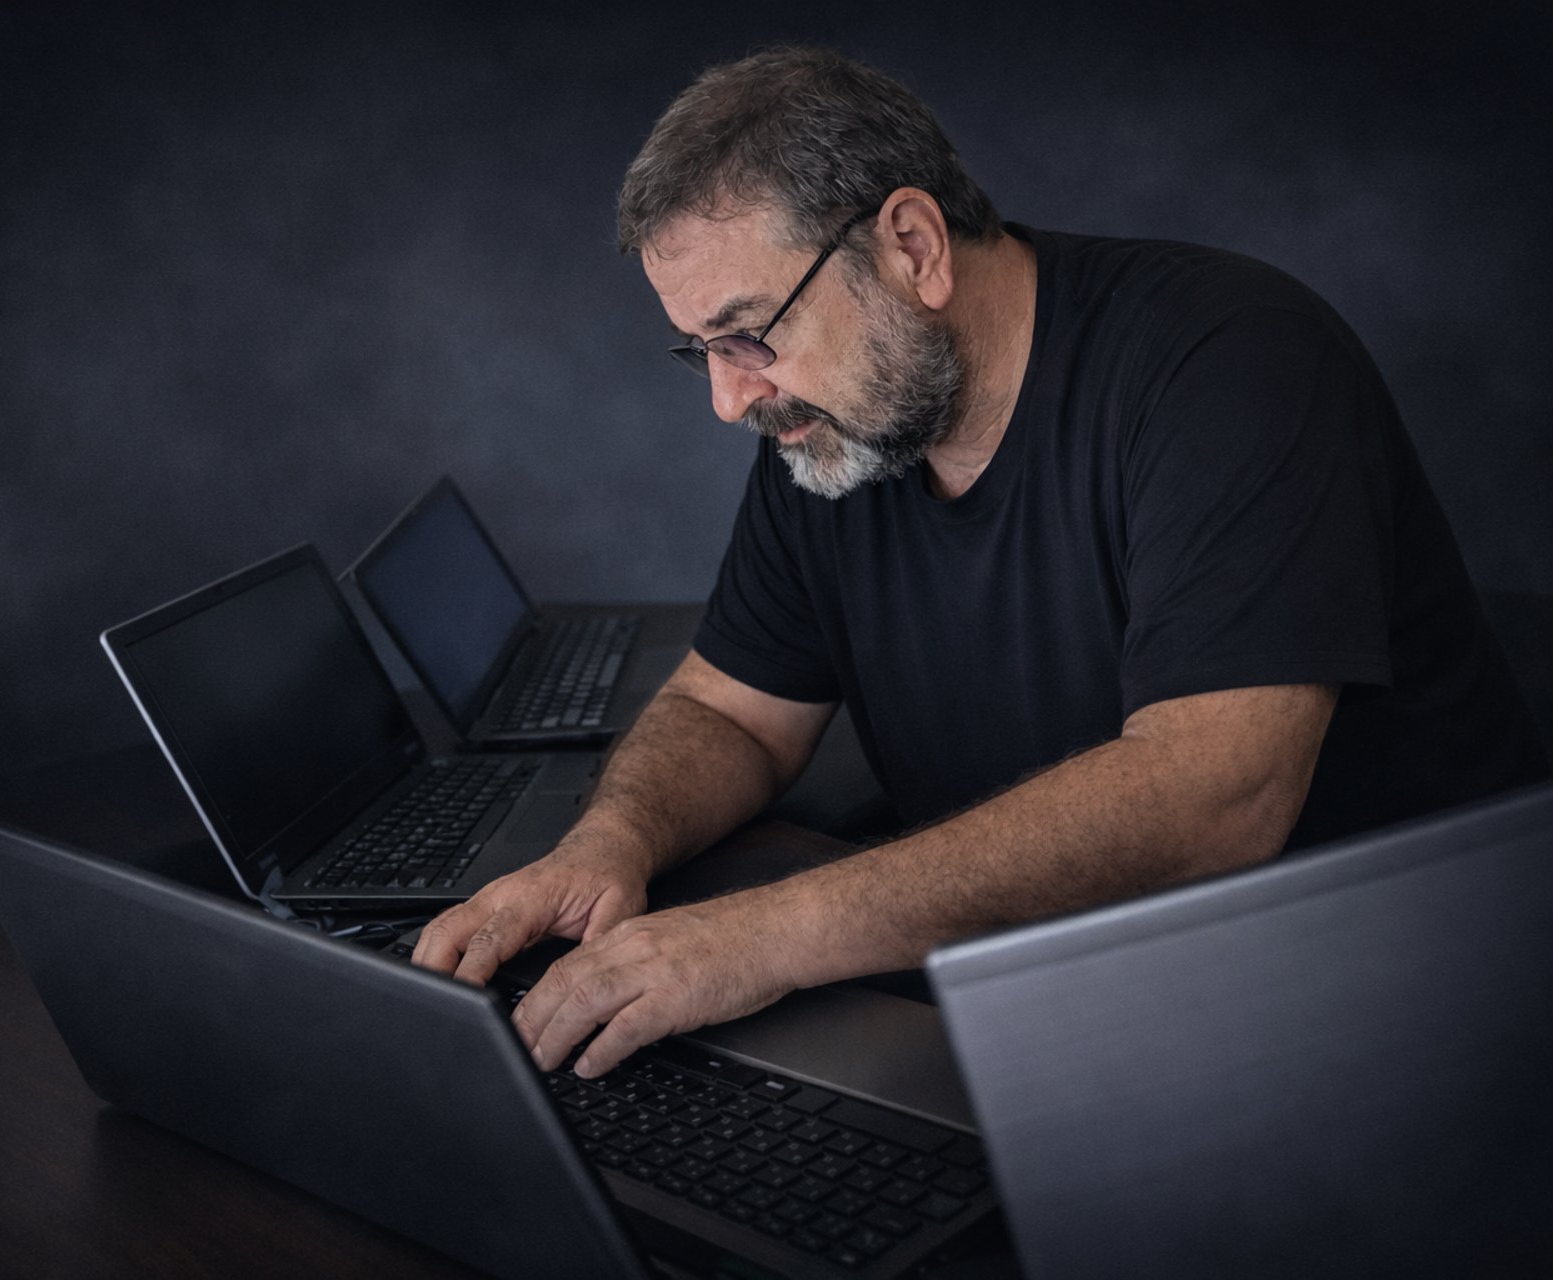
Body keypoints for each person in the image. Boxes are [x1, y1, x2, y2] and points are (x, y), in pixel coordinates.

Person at [412, 46, 1547, 1077]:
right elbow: (732, 712)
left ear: (912, 246)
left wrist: (762, 937)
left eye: (750, 333)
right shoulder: (833, 433)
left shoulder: (1231, 361)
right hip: (1053, 993)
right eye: (701, 349)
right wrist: (611, 843)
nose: (728, 398)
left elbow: (1215, 798)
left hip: (1373, 1009)